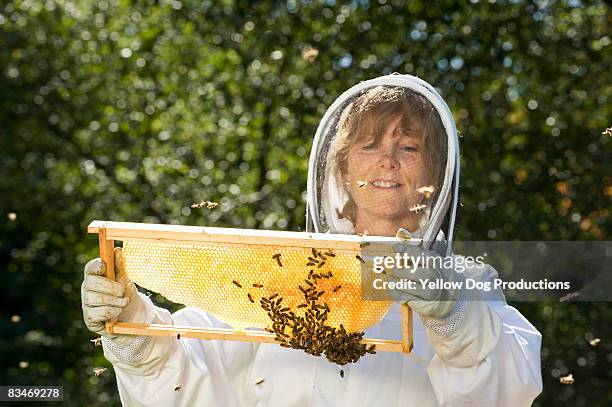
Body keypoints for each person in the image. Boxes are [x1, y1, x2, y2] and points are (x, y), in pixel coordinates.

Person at [81, 74, 543, 406]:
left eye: (408, 147)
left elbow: (503, 390)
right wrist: (135, 326)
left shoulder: (468, 286)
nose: (386, 162)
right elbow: (183, 388)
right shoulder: (281, 275)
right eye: (367, 146)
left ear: (435, 170)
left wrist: (454, 318)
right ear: (341, 166)